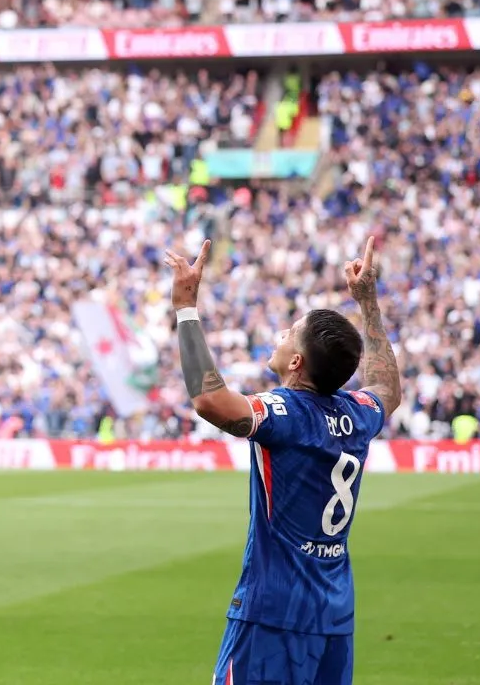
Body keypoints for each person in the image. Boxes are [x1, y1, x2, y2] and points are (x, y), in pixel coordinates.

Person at [167, 237, 400, 685]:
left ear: (296, 361)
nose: (279, 335)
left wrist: (185, 308)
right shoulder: (358, 413)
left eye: (289, 332)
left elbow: (210, 400)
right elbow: (388, 389)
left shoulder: (285, 414)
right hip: (334, 614)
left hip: (274, 614)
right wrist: (368, 302)